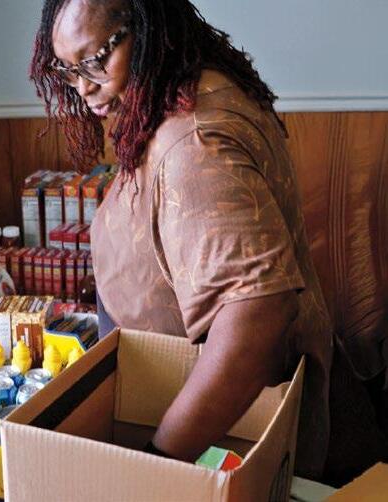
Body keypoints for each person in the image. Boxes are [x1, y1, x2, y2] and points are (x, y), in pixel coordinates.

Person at [30, 0, 388, 486]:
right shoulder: (182, 92)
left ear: (147, 28)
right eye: (67, 70)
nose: (83, 86)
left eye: (94, 60)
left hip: (238, 431)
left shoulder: (193, 140)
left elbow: (257, 317)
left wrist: (159, 461)